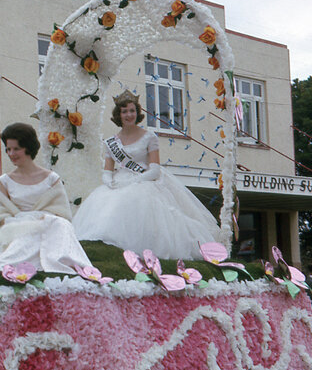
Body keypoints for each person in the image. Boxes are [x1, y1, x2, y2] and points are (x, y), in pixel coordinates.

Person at [72, 91, 220, 259]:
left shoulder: (149, 137)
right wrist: (108, 181)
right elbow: (107, 171)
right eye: (124, 111)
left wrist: (132, 182)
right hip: (119, 181)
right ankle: (108, 249)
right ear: (118, 115)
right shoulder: (110, 142)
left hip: (145, 180)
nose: (129, 115)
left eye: (132, 110)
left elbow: (155, 170)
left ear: (138, 113)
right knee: (106, 206)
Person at [0, 122, 92, 274]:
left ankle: (62, 262)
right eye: (8, 149)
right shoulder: (4, 181)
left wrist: (42, 219)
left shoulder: (51, 178)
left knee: (61, 224)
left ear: (28, 147)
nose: (11, 153)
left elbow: (63, 213)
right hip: (18, 226)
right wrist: (26, 221)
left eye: (16, 149)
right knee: (27, 229)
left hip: (48, 224)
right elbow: (2, 215)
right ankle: (8, 265)